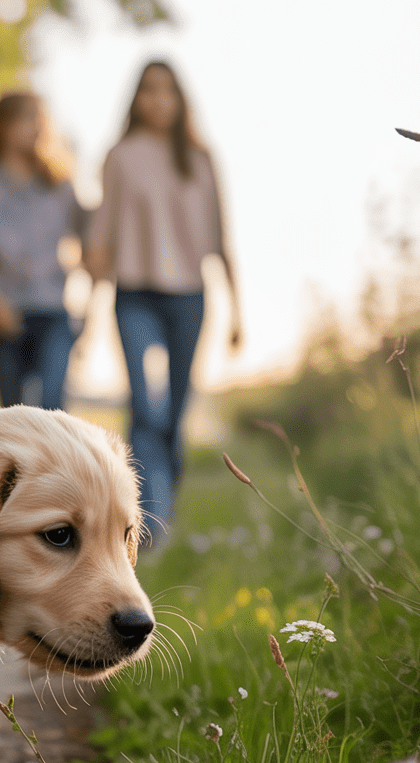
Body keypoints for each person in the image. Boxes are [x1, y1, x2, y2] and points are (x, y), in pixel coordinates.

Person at [87, 60, 240, 544]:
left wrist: (237, 310)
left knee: (174, 412)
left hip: (191, 296)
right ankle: (147, 522)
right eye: (148, 91)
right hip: (133, 293)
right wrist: (88, 311)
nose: (157, 100)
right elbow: (102, 234)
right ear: (136, 99)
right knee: (144, 407)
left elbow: (221, 234)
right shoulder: (119, 156)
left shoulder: (200, 158)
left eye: (166, 91)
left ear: (180, 100)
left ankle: (165, 501)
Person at [0, 91, 85, 410]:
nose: (35, 127)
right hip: (7, 314)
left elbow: (92, 237)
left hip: (54, 312)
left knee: (53, 407)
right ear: (3, 126)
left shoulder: (61, 187)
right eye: (26, 118)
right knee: (13, 414)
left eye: (39, 119)